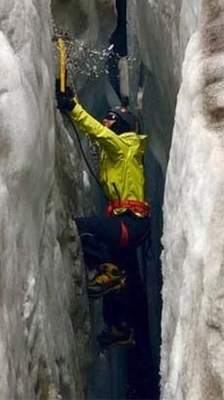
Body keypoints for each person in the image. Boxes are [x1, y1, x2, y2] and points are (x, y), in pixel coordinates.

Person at [56, 83, 150, 350]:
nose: (104, 121)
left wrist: (73, 107)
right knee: (117, 282)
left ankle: (106, 270)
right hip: (131, 225)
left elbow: (98, 134)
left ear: (121, 125)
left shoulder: (124, 147)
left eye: (110, 118)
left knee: (83, 228)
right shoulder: (117, 155)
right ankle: (118, 327)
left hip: (130, 223)